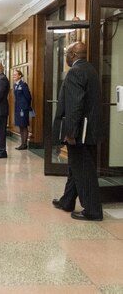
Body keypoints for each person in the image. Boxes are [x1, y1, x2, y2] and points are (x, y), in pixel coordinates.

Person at [51, 41, 103, 221]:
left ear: (73, 54)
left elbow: (75, 105)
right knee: (76, 167)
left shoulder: (75, 72)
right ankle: (67, 200)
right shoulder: (90, 69)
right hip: (90, 129)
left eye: (66, 53)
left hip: (80, 132)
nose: (65, 56)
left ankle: (93, 210)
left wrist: (70, 133)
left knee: (84, 171)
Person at [13, 69, 31, 150]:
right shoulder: (15, 85)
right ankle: (22, 143)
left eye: (15, 75)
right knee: (20, 125)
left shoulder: (23, 85)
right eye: (13, 75)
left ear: (20, 76)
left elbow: (28, 96)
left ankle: (24, 144)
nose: (14, 76)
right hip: (17, 108)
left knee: (24, 125)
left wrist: (25, 106)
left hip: (23, 109)